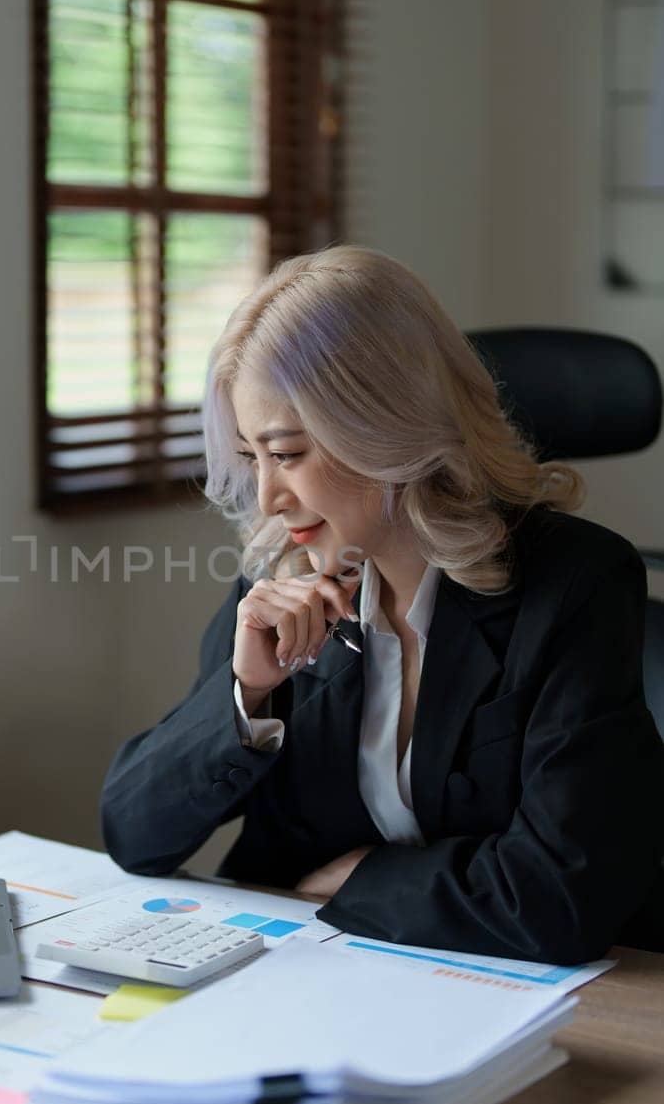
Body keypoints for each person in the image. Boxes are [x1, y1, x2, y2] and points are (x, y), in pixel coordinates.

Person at [101, 246, 664, 963]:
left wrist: (363, 880)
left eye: (288, 453)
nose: (269, 498)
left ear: (381, 424)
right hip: (320, 977)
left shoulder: (575, 584)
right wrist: (245, 697)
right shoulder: (284, 573)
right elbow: (132, 833)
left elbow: (560, 895)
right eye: (251, 458)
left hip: (528, 992)